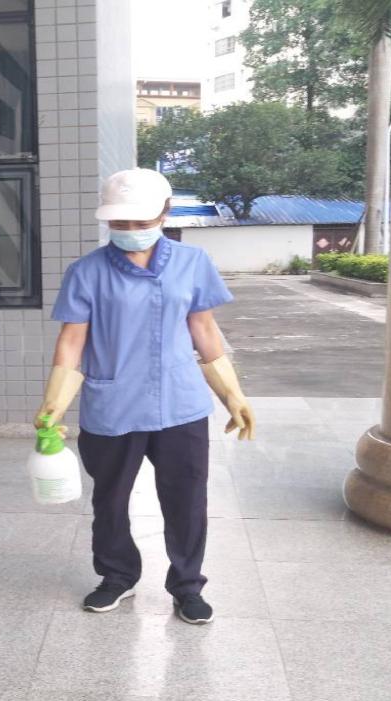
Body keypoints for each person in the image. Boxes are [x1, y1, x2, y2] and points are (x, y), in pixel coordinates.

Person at [38, 168, 255, 625]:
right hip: (113, 404)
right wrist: (54, 403)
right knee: (110, 499)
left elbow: (204, 330)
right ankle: (117, 576)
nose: (131, 231)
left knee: (186, 500)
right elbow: (72, 340)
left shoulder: (193, 262)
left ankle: (187, 585)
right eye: (120, 223)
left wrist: (232, 395)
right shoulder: (86, 272)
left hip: (180, 404)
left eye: (141, 222)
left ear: (165, 213)